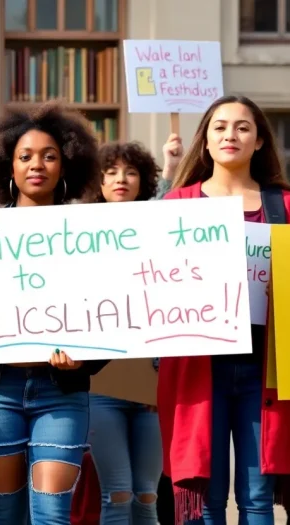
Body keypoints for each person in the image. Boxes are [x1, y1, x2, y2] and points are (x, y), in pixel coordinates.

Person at [0, 102, 106, 525]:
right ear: (7, 165)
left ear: (66, 165)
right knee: (4, 515)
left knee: (51, 515)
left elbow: (108, 314)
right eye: (25, 156)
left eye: (49, 156)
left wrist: (85, 358)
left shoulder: (93, 233)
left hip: (60, 393)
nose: (37, 165)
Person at [159, 95, 290, 524]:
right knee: (204, 499)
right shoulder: (178, 205)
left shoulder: (288, 207)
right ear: (205, 140)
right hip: (197, 368)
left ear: (259, 141)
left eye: (242, 127)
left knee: (259, 499)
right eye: (220, 127)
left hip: (269, 368)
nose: (230, 135)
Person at [88, 141, 165, 525]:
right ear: (97, 181)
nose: (121, 179)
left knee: (147, 495)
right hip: (101, 385)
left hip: (151, 384)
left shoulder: (163, 233)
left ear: (144, 181)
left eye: (131, 172)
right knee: (117, 494)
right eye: (112, 171)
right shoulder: (75, 235)